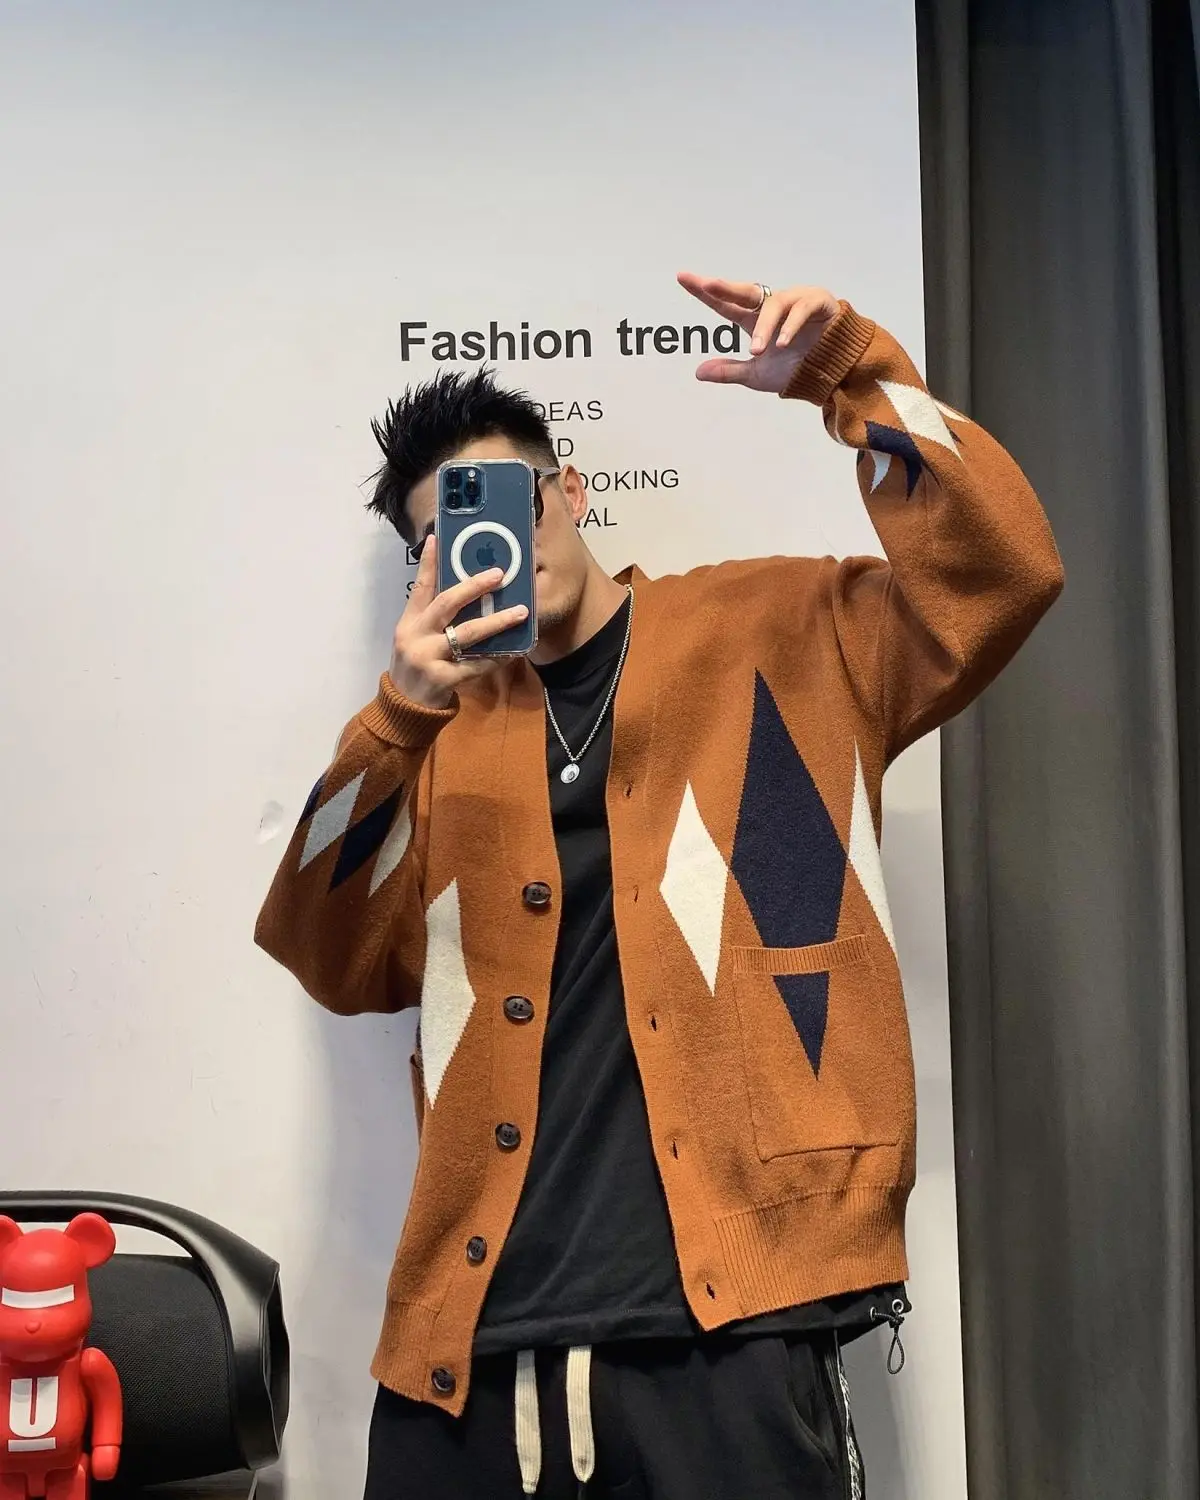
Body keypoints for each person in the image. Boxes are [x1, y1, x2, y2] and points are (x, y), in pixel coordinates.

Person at [255, 273, 1063, 1500]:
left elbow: (1003, 575)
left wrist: (852, 376)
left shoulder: (780, 628)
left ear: (571, 492)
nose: (498, 540)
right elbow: (326, 954)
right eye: (448, 534)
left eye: (516, 498)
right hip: (469, 1355)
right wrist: (399, 714)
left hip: (729, 1344)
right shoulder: (433, 740)